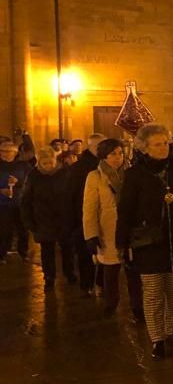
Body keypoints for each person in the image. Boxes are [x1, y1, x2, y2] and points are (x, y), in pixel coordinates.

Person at [116, 123, 173, 359]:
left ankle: (172, 330)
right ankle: (157, 338)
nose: (164, 148)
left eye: (166, 143)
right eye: (158, 144)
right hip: (149, 243)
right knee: (152, 293)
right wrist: (122, 243)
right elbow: (126, 210)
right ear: (145, 148)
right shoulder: (134, 175)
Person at [83, 138, 143, 318]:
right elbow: (89, 208)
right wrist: (91, 235)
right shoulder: (95, 177)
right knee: (110, 270)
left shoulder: (132, 174)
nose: (118, 158)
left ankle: (138, 306)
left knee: (133, 271)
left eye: (120, 153)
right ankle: (111, 303)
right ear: (104, 156)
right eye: (113, 154)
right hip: (108, 230)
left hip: (130, 228)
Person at [20, 147, 74, 290]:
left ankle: (70, 273)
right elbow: (26, 200)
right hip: (43, 219)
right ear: (39, 163)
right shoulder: (33, 176)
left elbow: (72, 195)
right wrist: (29, 222)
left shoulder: (64, 173)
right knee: (47, 250)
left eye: (50, 163)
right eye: (45, 164)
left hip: (63, 218)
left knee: (67, 248)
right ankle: (49, 277)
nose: (48, 166)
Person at [68, 134, 105, 297]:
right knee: (87, 254)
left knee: (99, 253)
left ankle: (92, 285)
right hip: (83, 217)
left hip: (97, 217)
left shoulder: (104, 164)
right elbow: (71, 195)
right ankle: (90, 285)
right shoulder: (81, 168)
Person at [0, 139, 30, 263]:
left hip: (19, 202)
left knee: (23, 229)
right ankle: (2, 253)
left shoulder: (23, 165)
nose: (7, 154)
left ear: (15, 153)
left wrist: (18, 183)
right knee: (4, 230)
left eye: (10, 152)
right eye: (3, 151)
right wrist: (1, 190)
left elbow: (30, 181)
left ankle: (23, 252)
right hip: (3, 204)